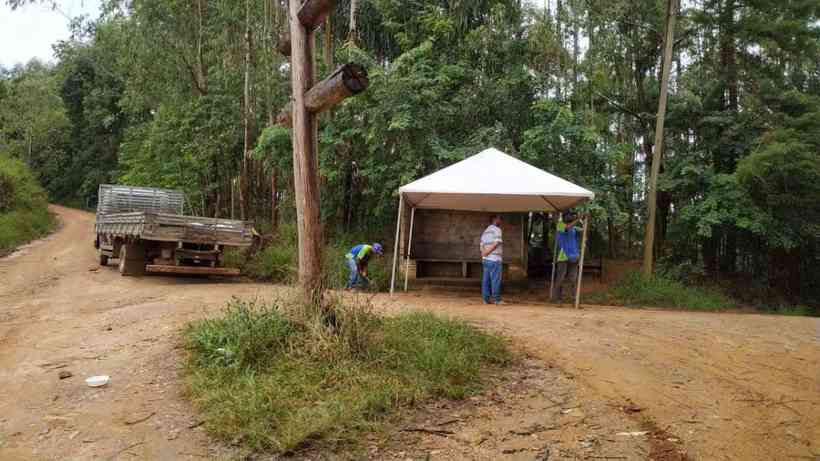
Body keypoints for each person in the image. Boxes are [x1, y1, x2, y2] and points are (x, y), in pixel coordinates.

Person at [551, 210, 581, 302]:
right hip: (563, 256)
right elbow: (567, 228)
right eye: (569, 215)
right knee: (560, 278)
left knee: (573, 279)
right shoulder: (560, 225)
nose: (571, 217)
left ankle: (574, 298)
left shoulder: (574, 228)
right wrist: (579, 218)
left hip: (574, 256)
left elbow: (584, 230)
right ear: (564, 217)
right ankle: (557, 298)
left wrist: (587, 218)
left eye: (572, 215)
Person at [480, 215, 505, 305]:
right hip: (495, 259)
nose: (501, 221)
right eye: (499, 219)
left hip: (486, 260)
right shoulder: (497, 230)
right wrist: (488, 252)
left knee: (485, 280)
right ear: (494, 220)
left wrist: (484, 255)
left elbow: (481, 246)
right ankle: (496, 299)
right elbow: (497, 243)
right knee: (495, 280)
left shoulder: (485, 232)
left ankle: (486, 300)